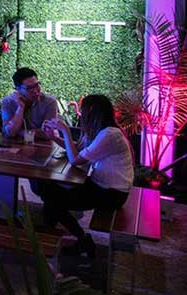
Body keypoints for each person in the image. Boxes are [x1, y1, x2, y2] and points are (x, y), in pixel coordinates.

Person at [41, 95, 134, 257]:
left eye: (83, 111)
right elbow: (77, 149)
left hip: (112, 194)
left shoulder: (110, 134)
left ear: (92, 113)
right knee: (49, 190)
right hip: (100, 184)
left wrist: (65, 131)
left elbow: (75, 160)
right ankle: (51, 239)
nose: (81, 115)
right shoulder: (100, 131)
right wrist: (54, 137)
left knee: (52, 202)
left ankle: (77, 240)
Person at [1, 67, 58, 138]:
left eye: (37, 85)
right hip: (14, 144)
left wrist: (21, 133)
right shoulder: (8, 102)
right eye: (29, 88)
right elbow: (10, 133)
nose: (35, 91)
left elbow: (48, 133)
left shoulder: (49, 102)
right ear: (18, 89)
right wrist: (21, 108)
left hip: (42, 144)